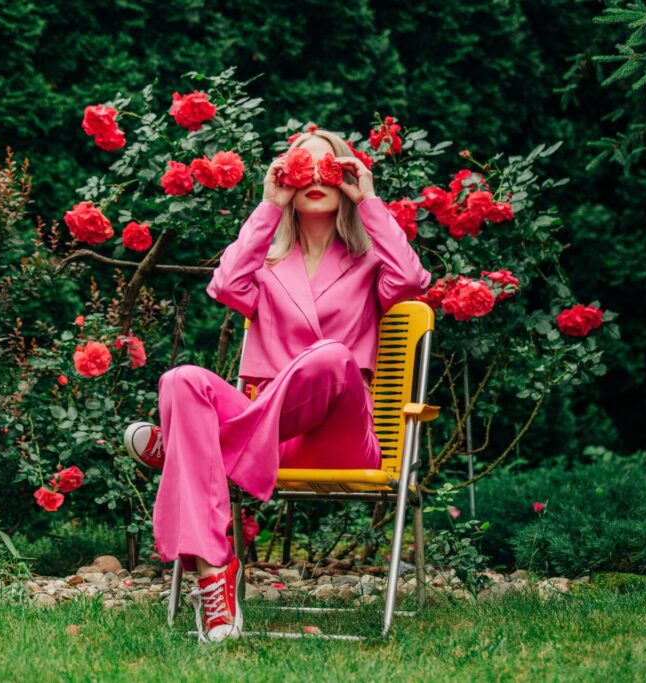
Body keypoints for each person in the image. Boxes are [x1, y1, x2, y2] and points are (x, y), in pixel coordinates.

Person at [122, 129, 432, 641]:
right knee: (180, 381)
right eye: (299, 169)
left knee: (332, 356)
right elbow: (224, 286)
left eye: (328, 168)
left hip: (340, 435)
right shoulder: (266, 268)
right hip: (277, 438)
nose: (314, 178)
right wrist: (268, 206)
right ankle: (215, 576)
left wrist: (370, 201)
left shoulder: (371, 262)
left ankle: (193, 446)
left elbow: (414, 280)